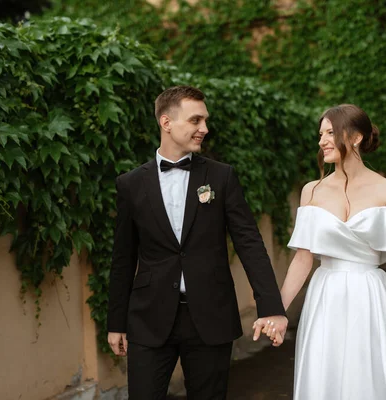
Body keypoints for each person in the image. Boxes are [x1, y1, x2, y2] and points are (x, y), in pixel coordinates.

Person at [106, 85, 288, 400]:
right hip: (149, 319)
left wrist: (272, 307)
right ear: (166, 122)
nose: (204, 129)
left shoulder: (221, 177)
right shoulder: (130, 184)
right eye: (195, 121)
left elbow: (250, 244)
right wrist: (116, 322)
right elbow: (123, 257)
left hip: (210, 316)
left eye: (204, 121)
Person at [257, 104, 386, 399]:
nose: (322, 140)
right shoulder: (311, 190)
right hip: (326, 297)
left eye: (330, 133)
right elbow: (302, 258)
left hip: (372, 296)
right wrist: (277, 310)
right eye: (320, 134)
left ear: (356, 137)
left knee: (371, 376)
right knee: (327, 375)